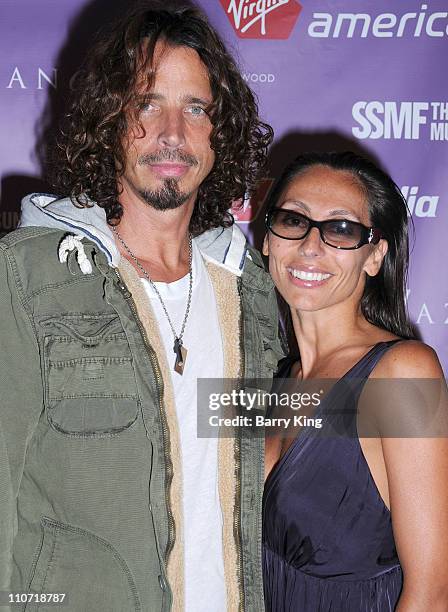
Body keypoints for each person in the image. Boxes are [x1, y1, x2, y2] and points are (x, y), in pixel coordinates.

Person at [0, 5, 285, 611]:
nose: (173, 135)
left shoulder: (247, 292)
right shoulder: (28, 278)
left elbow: (242, 460)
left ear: (219, 131)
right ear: (110, 120)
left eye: (196, 109)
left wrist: (403, 393)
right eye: (146, 103)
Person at [261, 151, 448, 611]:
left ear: (374, 256)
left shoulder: (405, 370)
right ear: (267, 239)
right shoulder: (271, 375)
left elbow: (431, 594)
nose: (310, 245)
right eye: (292, 219)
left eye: (341, 229)